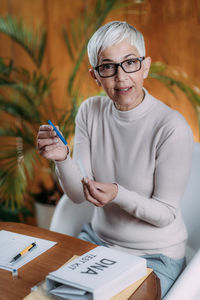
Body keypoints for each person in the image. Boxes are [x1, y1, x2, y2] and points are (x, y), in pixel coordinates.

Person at [37, 21, 194, 298]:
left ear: (145, 66)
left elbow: (165, 214)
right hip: (98, 242)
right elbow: (77, 195)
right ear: (95, 76)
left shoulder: (171, 127)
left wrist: (118, 194)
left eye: (130, 62)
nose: (121, 77)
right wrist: (63, 159)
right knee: (45, 292)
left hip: (155, 257)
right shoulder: (90, 112)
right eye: (108, 66)